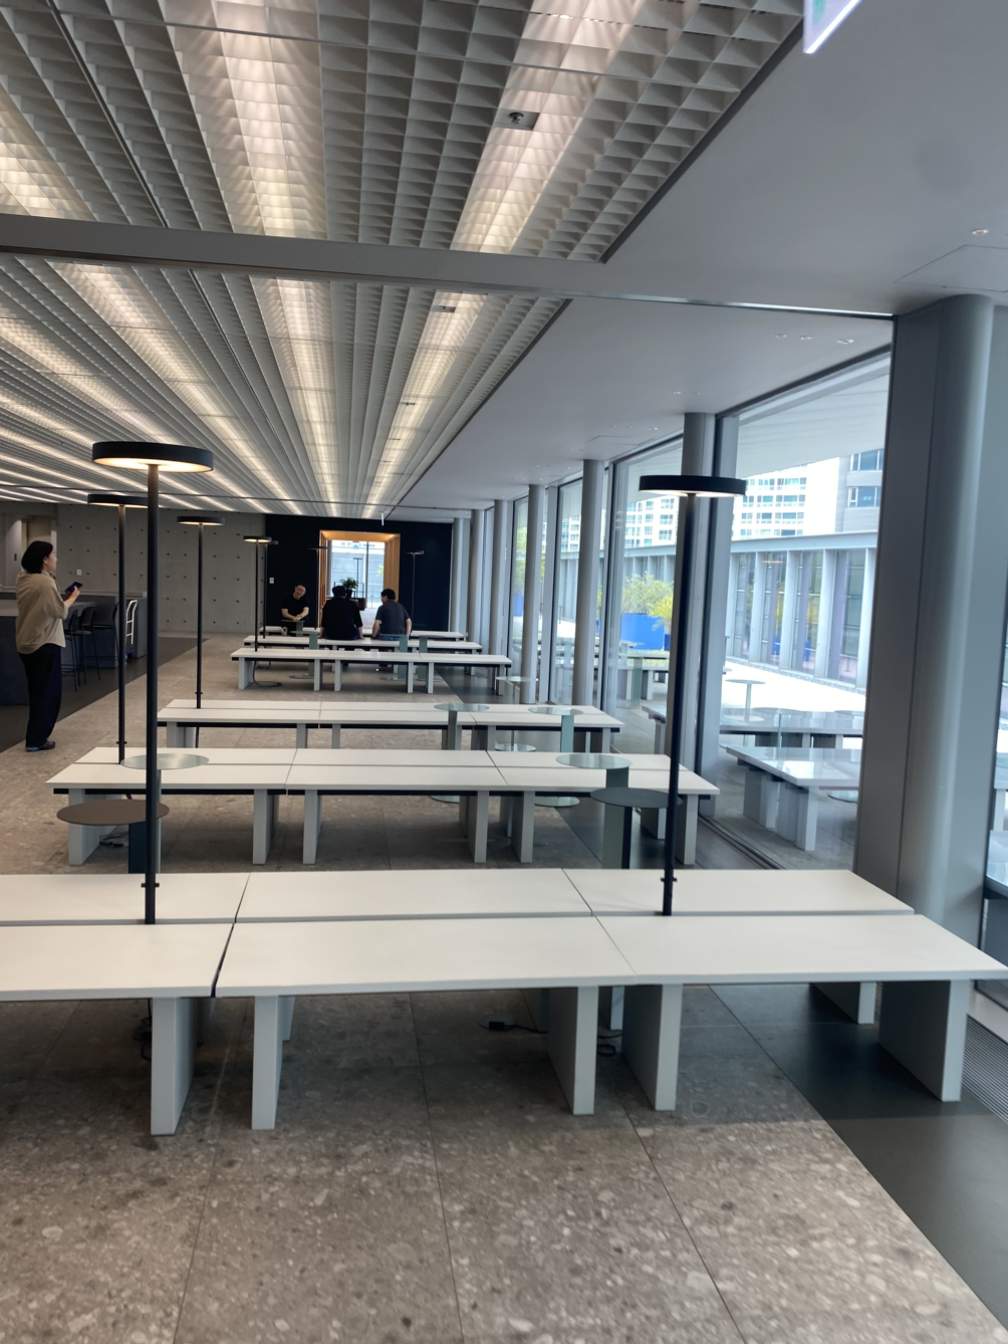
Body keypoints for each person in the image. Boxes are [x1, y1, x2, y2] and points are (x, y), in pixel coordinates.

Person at [15, 540, 81, 752]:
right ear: (44, 560)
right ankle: (37, 738)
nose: (56, 559)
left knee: (37, 692)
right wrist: (72, 598)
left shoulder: (23, 578)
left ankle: (34, 736)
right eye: (53, 555)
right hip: (44, 643)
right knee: (47, 694)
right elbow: (60, 612)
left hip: (26, 642)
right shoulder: (45, 583)